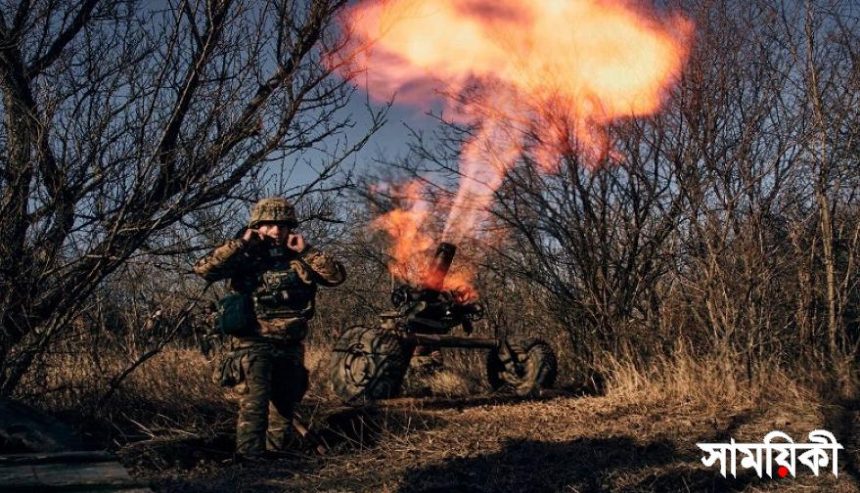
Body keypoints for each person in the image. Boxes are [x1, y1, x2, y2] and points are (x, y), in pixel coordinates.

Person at [193, 197, 346, 459]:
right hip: (254, 343)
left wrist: (306, 250)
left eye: (283, 225)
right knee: (255, 405)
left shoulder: (299, 258)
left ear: (290, 229)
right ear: (257, 227)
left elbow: (336, 277)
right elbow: (204, 269)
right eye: (269, 225)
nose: (276, 231)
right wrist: (241, 244)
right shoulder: (244, 256)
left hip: (290, 343)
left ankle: (275, 461)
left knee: (284, 408)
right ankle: (249, 462)